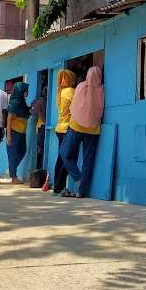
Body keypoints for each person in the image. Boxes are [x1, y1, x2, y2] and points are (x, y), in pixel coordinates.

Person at [61, 66, 104, 198]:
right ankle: (81, 191)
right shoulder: (101, 89)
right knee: (88, 160)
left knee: (64, 153)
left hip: (76, 126)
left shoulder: (80, 86)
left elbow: (74, 104)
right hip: (93, 129)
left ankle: (77, 177)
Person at [53, 69, 76, 194]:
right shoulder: (70, 91)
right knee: (67, 158)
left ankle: (57, 184)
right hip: (68, 128)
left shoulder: (60, 91)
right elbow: (77, 106)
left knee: (61, 158)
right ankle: (59, 185)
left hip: (59, 128)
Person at [7, 82, 30, 184]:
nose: (27, 92)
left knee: (22, 151)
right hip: (14, 132)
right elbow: (9, 118)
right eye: (25, 90)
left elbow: (25, 112)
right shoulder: (15, 102)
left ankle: (12, 170)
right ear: (21, 91)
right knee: (13, 154)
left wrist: (30, 108)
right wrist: (8, 135)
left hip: (21, 132)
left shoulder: (22, 102)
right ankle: (13, 177)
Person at [31, 86, 47, 168]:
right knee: (40, 148)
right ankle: (39, 166)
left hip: (41, 126)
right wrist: (46, 122)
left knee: (40, 148)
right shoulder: (42, 101)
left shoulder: (41, 101)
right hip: (42, 126)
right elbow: (39, 114)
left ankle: (39, 166)